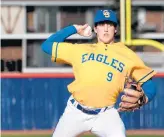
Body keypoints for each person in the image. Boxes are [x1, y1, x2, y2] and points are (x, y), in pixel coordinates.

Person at [41, 9, 157, 137]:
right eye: (101, 24)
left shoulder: (128, 55)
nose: (106, 29)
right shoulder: (80, 50)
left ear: (115, 29)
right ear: (95, 29)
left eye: (110, 24)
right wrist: (74, 29)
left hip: (106, 115)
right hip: (75, 112)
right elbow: (47, 46)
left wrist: (145, 97)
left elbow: (149, 83)